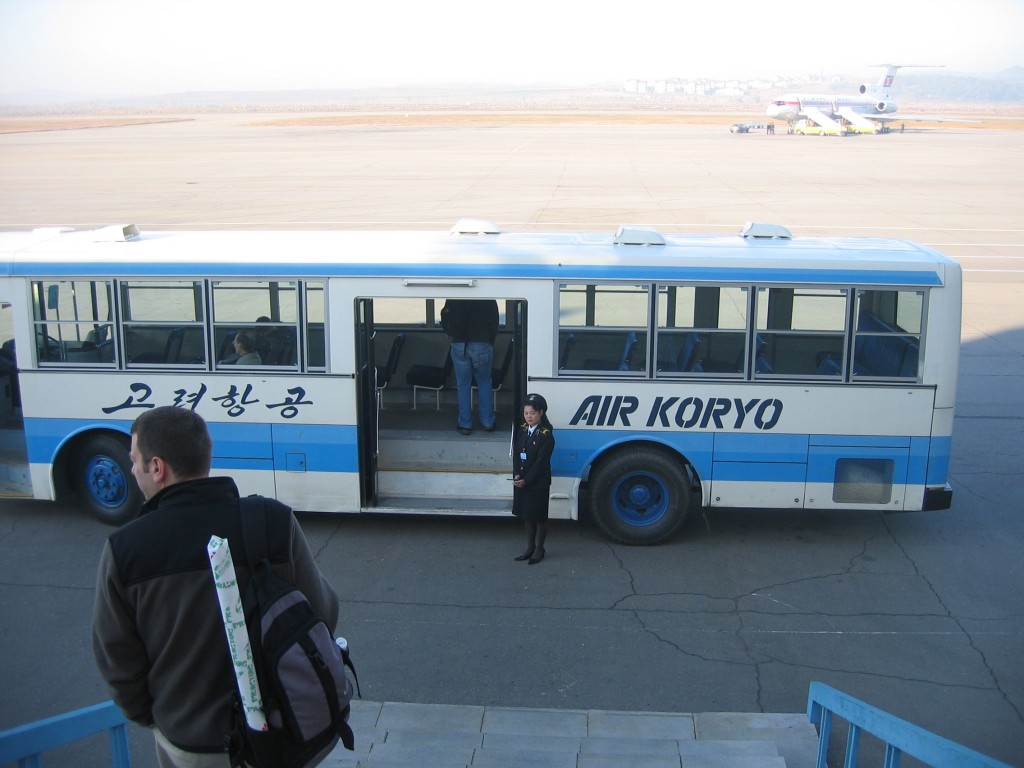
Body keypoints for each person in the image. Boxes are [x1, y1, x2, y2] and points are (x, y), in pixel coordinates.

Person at [91, 407, 340, 768]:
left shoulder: (124, 550)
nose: (131, 470)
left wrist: (161, 714)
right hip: (279, 735)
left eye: (134, 461)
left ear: (158, 468)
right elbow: (323, 613)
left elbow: (117, 660)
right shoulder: (272, 521)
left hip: (188, 743)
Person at [441, 298, 498, 435]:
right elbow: (494, 320)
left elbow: (445, 315)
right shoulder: (488, 297)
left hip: (459, 343)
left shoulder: (454, 297)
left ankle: (465, 424)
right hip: (482, 342)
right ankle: (488, 421)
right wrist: (490, 340)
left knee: (463, 384)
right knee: (484, 382)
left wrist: (449, 333)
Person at [511, 393, 555, 565]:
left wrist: (526, 480)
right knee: (527, 516)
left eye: (533, 413)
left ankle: (539, 549)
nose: (529, 416)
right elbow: (516, 454)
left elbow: (541, 462)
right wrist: (516, 474)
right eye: (526, 413)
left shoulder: (546, 435)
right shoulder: (522, 430)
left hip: (538, 483)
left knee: (539, 517)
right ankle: (529, 547)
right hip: (522, 480)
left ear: (541, 413)